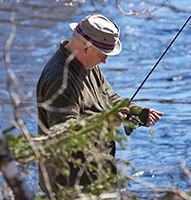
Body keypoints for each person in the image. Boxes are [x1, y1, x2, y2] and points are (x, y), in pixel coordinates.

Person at [37, 13, 164, 193]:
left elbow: (109, 97)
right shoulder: (59, 78)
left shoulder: (87, 63)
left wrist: (138, 112)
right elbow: (64, 133)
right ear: (87, 48)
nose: (105, 60)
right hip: (71, 185)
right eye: (103, 54)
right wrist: (105, 122)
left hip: (97, 175)